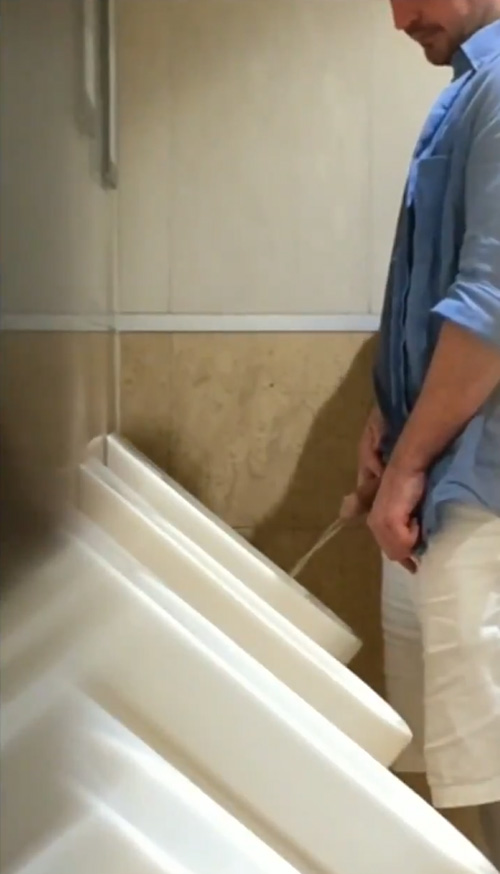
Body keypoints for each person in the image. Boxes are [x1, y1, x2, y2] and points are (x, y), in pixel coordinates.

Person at [349, 1, 500, 865]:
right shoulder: (469, 87)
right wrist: (393, 413)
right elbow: (441, 290)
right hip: (448, 477)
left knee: (488, 769)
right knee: (455, 772)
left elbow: (492, 306)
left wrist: (407, 467)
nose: (400, 17)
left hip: (480, 491)